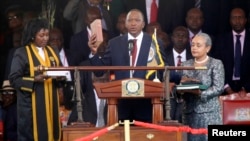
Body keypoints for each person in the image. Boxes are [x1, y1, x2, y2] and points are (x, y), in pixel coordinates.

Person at [88, 9, 167, 122]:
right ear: (125, 23)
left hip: (146, 104)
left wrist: (179, 78)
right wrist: (94, 52)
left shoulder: (153, 42)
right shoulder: (114, 43)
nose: (133, 23)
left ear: (143, 24)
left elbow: (164, 68)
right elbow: (99, 70)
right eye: (130, 20)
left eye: (137, 20)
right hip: (121, 105)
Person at [9, 18, 62, 141]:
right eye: (41, 35)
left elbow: (59, 73)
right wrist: (34, 79)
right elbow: (14, 79)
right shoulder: (22, 53)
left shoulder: (53, 51)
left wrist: (61, 77)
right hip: (30, 107)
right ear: (33, 36)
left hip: (51, 103)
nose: (45, 38)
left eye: (47, 35)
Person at [178, 33, 224, 141]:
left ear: (207, 48)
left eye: (198, 45)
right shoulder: (185, 65)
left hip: (209, 113)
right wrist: (179, 91)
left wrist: (200, 93)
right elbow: (180, 85)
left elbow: (218, 87)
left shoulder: (216, 64)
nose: (194, 48)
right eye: (193, 45)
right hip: (188, 112)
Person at [214, 8, 250, 94]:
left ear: (245, 20)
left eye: (240, 17)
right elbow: (216, 66)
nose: (237, 21)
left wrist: (245, 88)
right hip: (225, 87)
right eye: (234, 18)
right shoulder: (220, 40)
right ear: (230, 20)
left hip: (248, 89)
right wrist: (227, 88)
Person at [165, 26, 192, 123]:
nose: (180, 38)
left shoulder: (193, 55)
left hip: (188, 96)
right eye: (177, 36)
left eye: (183, 36)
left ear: (188, 39)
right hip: (168, 95)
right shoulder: (164, 55)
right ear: (172, 38)